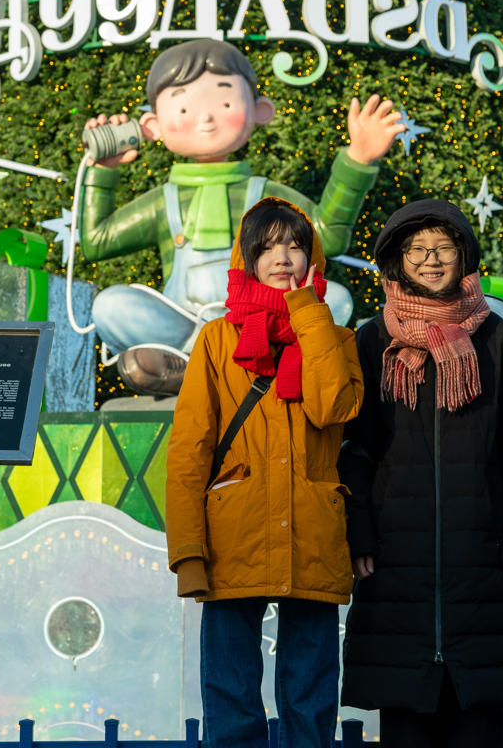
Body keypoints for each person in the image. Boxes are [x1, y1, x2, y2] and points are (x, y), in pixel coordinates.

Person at [79, 38, 403, 396]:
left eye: (225, 103)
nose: (205, 118)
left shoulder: (266, 196)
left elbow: (327, 237)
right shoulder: (162, 201)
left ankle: (216, 368)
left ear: (260, 110)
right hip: (184, 327)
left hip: (260, 325)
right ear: (152, 125)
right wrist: (102, 170)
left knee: (335, 299)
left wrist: (356, 161)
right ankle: (214, 364)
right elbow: (96, 243)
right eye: (183, 108)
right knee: (110, 305)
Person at [338, 200, 503, 748]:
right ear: (397, 259)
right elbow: (356, 450)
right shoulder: (373, 339)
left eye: (444, 247)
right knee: (406, 720)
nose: (431, 259)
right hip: (394, 563)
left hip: (481, 561)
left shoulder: (495, 336)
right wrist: (358, 533)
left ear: (463, 255)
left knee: (478, 723)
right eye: (417, 249)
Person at [165, 196, 363, 748]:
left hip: (312, 535)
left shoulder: (337, 340)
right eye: (269, 246)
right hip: (234, 535)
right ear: (247, 258)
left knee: (310, 701)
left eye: (296, 245)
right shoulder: (217, 340)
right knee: (231, 701)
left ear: (312, 259)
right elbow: (189, 450)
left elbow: (334, 408)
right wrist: (188, 551)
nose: (282, 257)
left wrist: (307, 313)